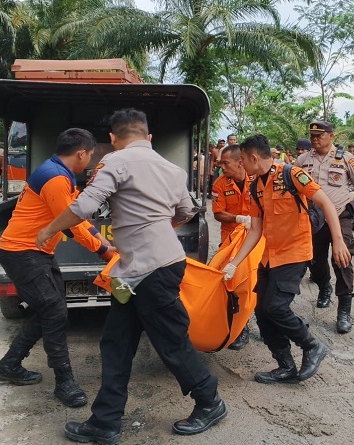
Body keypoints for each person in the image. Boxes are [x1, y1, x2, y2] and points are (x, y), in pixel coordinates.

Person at [39, 109, 227, 443]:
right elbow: (186, 211)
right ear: (148, 136)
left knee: (170, 342)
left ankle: (209, 401)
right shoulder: (171, 169)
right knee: (116, 342)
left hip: (149, 271)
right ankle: (105, 422)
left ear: (112, 137)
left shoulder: (115, 162)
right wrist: (156, 228)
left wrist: (49, 229)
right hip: (144, 269)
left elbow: (85, 206)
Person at [0, 128, 113, 409]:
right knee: (55, 312)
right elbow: (70, 221)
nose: (90, 161)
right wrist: (102, 249)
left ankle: (8, 364)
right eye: (90, 155)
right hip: (22, 252)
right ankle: (64, 382)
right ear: (81, 153)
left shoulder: (58, 172)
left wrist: (100, 239)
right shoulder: (56, 178)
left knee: (50, 310)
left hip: (37, 252)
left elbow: (76, 213)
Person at [221, 134, 351, 384]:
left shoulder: (292, 174)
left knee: (275, 307)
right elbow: (256, 230)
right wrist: (233, 263)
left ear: (253, 157)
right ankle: (285, 365)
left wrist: (338, 240)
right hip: (269, 257)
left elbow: (325, 203)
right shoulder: (255, 186)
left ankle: (312, 345)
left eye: (242, 162)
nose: (242, 167)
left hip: (294, 253)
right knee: (261, 310)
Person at [296, 120, 354, 333]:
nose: (315, 139)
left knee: (342, 260)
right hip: (313, 218)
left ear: (331, 136)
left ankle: (344, 310)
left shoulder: (345, 158)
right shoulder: (303, 160)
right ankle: (324, 287)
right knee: (315, 260)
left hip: (340, 213)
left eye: (319, 135)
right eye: (312, 136)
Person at [211, 143, 254, 350]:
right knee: (232, 283)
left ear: (240, 162)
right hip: (231, 241)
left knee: (258, 282)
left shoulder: (256, 178)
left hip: (256, 239)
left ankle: (265, 321)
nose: (222, 167)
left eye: (225, 163)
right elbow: (218, 213)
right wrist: (239, 218)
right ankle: (240, 327)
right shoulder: (220, 183)